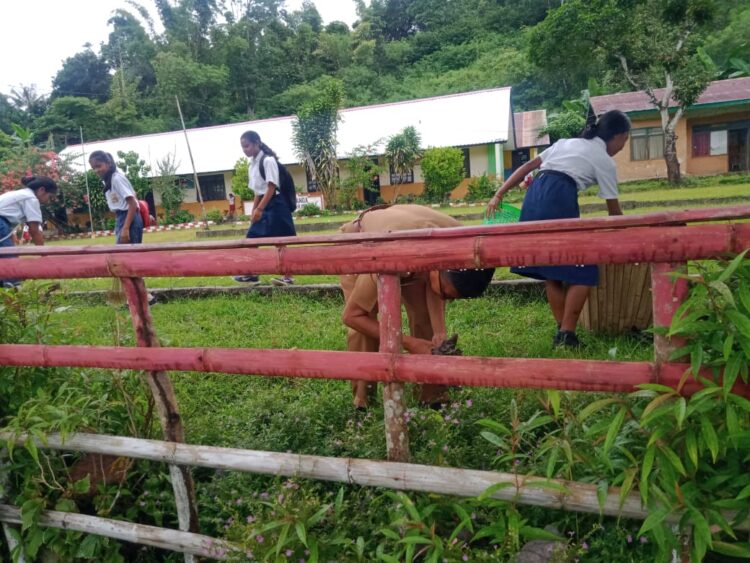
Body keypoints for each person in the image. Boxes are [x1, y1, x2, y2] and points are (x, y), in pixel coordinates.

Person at [486, 109, 631, 348]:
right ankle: (567, 333)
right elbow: (614, 212)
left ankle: (562, 333)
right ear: (618, 136)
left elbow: (528, 166)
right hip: (558, 196)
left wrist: (499, 193)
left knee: (551, 269)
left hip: (534, 196)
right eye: (624, 142)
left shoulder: (566, 143)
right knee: (584, 267)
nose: (622, 148)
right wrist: (632, 236)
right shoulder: (604, 160)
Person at [340, 204, 495, 409]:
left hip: (412, 243)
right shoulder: (390, 253)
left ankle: (432, 398)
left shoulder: (461, 244)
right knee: (363, 325)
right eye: (448, 294)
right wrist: (409, 343)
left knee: (426, 320)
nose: (448, 300)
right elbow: (352, 316)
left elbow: (435, 285)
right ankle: (363, 402)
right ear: (439, 269)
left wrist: (439, 333)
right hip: (364, 244)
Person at [89, 151, 155, 305]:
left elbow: (132, 203)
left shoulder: (117, 178)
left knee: (127, 260)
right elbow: (131, 195)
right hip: (121, 217)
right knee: (126, 260)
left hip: (128, 218)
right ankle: (142, 296)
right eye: (94, 168)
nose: (97, 170)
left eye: (99, 166)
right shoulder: (109, 180)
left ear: (108, 164)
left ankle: (143, 297)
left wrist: (125, 229)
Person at [233, 131, 296, 287]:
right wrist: (254, 210)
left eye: (247, 146)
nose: (245, 150)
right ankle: (252, 274)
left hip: (276, 204)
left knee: (280, 242)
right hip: (263, 203)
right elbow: (257, 191)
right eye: (242, 147)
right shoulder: (252, 164)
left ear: (257, 143)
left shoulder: (268, 161)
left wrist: (259, 210)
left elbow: (271, 187)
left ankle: (288, 278)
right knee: (251, 239)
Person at [0, 175, 58, 287]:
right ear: (42, 190)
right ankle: (13, 290)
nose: (48, 201)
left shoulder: (20, 194)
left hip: (3, 223)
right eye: (49, 197)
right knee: (9, 260)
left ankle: (5, 287)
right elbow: (34, 230)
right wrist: (45, 255)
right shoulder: (31, 199)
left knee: (4, 257)